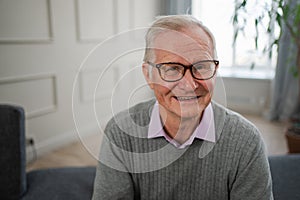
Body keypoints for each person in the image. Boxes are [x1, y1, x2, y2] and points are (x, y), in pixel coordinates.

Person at [92, 15, 273, 200]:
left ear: (215, 71)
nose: (189, 84)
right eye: (172, 68)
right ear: (148, 75)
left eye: (201, 66)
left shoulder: (246, 141)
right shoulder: (120, 133)